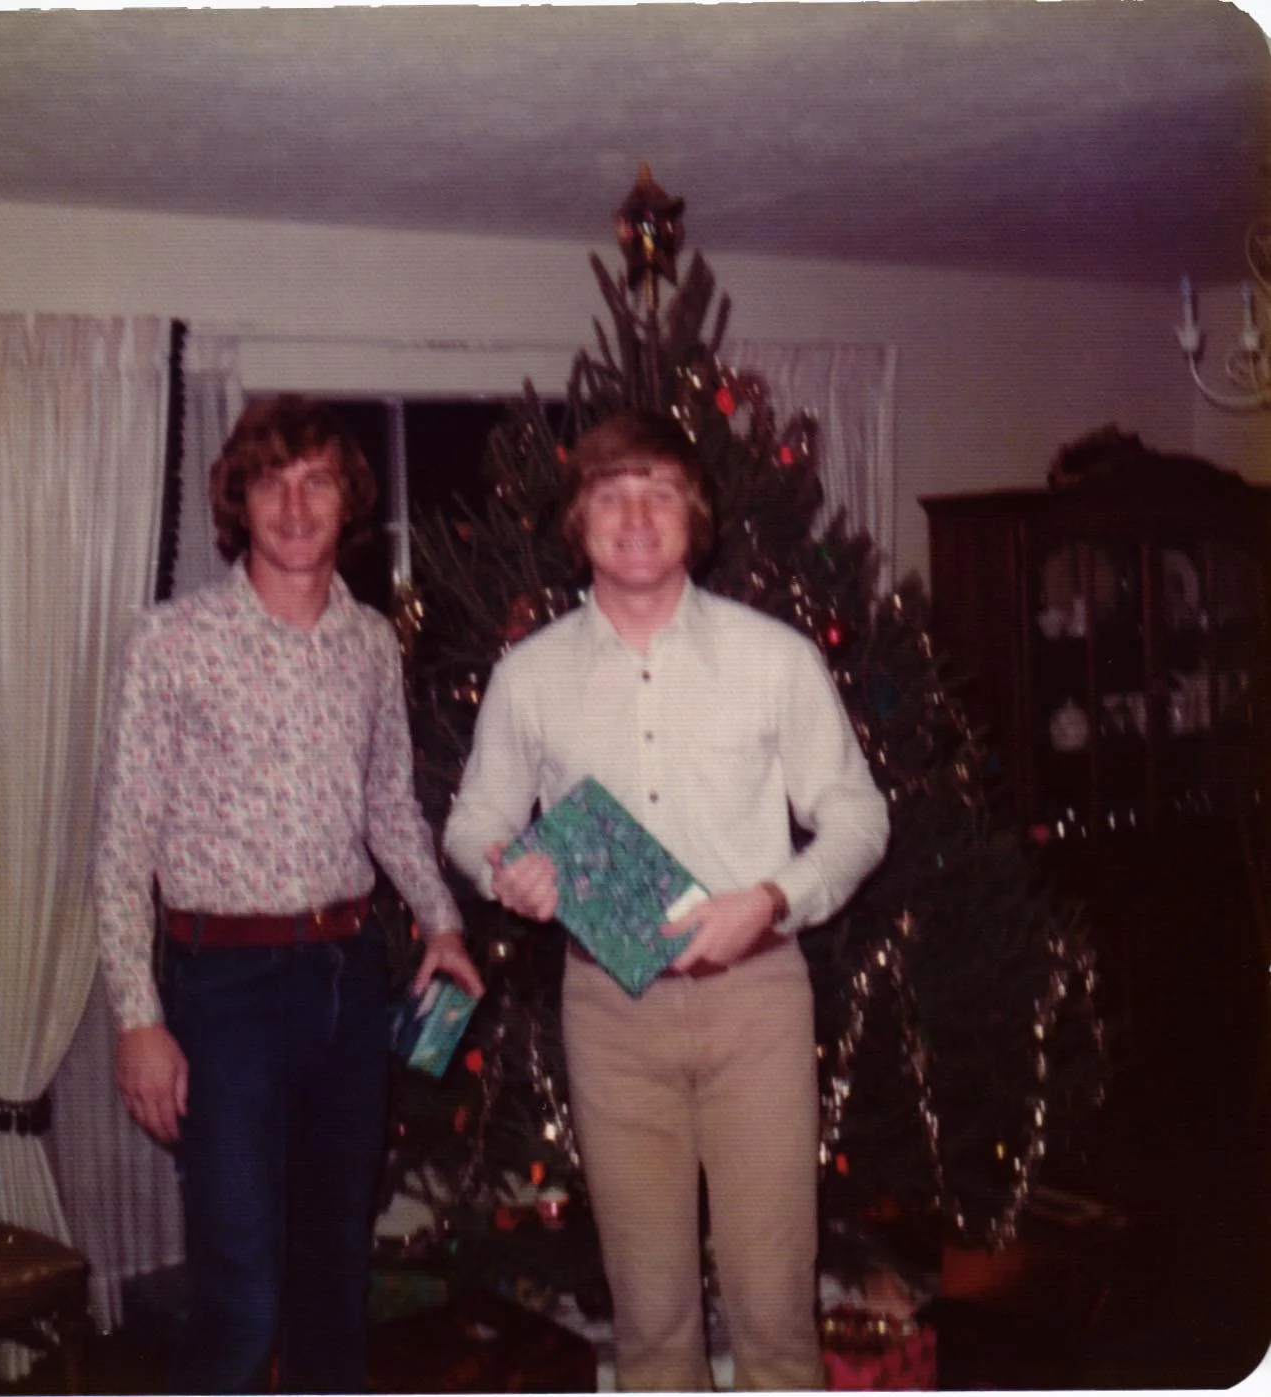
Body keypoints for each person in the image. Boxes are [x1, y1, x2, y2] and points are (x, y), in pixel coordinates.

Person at [443, 409, 889, 1390]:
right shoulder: (529, 674)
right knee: (649, 1320)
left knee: (775, 1310)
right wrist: (501, 865)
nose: (636, 517)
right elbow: (474, 816)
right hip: (610, 1012)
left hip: (754, 1002)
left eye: (659, 495)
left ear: (695, 517)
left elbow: (859, 815)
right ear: (578, 522)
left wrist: (770, 897)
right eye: (611, 495)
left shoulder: (773, 657)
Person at [92, 394, 481, 1394]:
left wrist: (440, 920)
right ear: (240, 500)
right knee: (241, 1296)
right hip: (222, 991)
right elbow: (123, 841)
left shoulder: (370, 643)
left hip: (346, 979)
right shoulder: (172, 640)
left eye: (318, 481)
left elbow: (387, 802)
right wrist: (138, 1018)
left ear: (349, 498)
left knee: (332, 1284)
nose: (296, 505)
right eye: (272, 481)